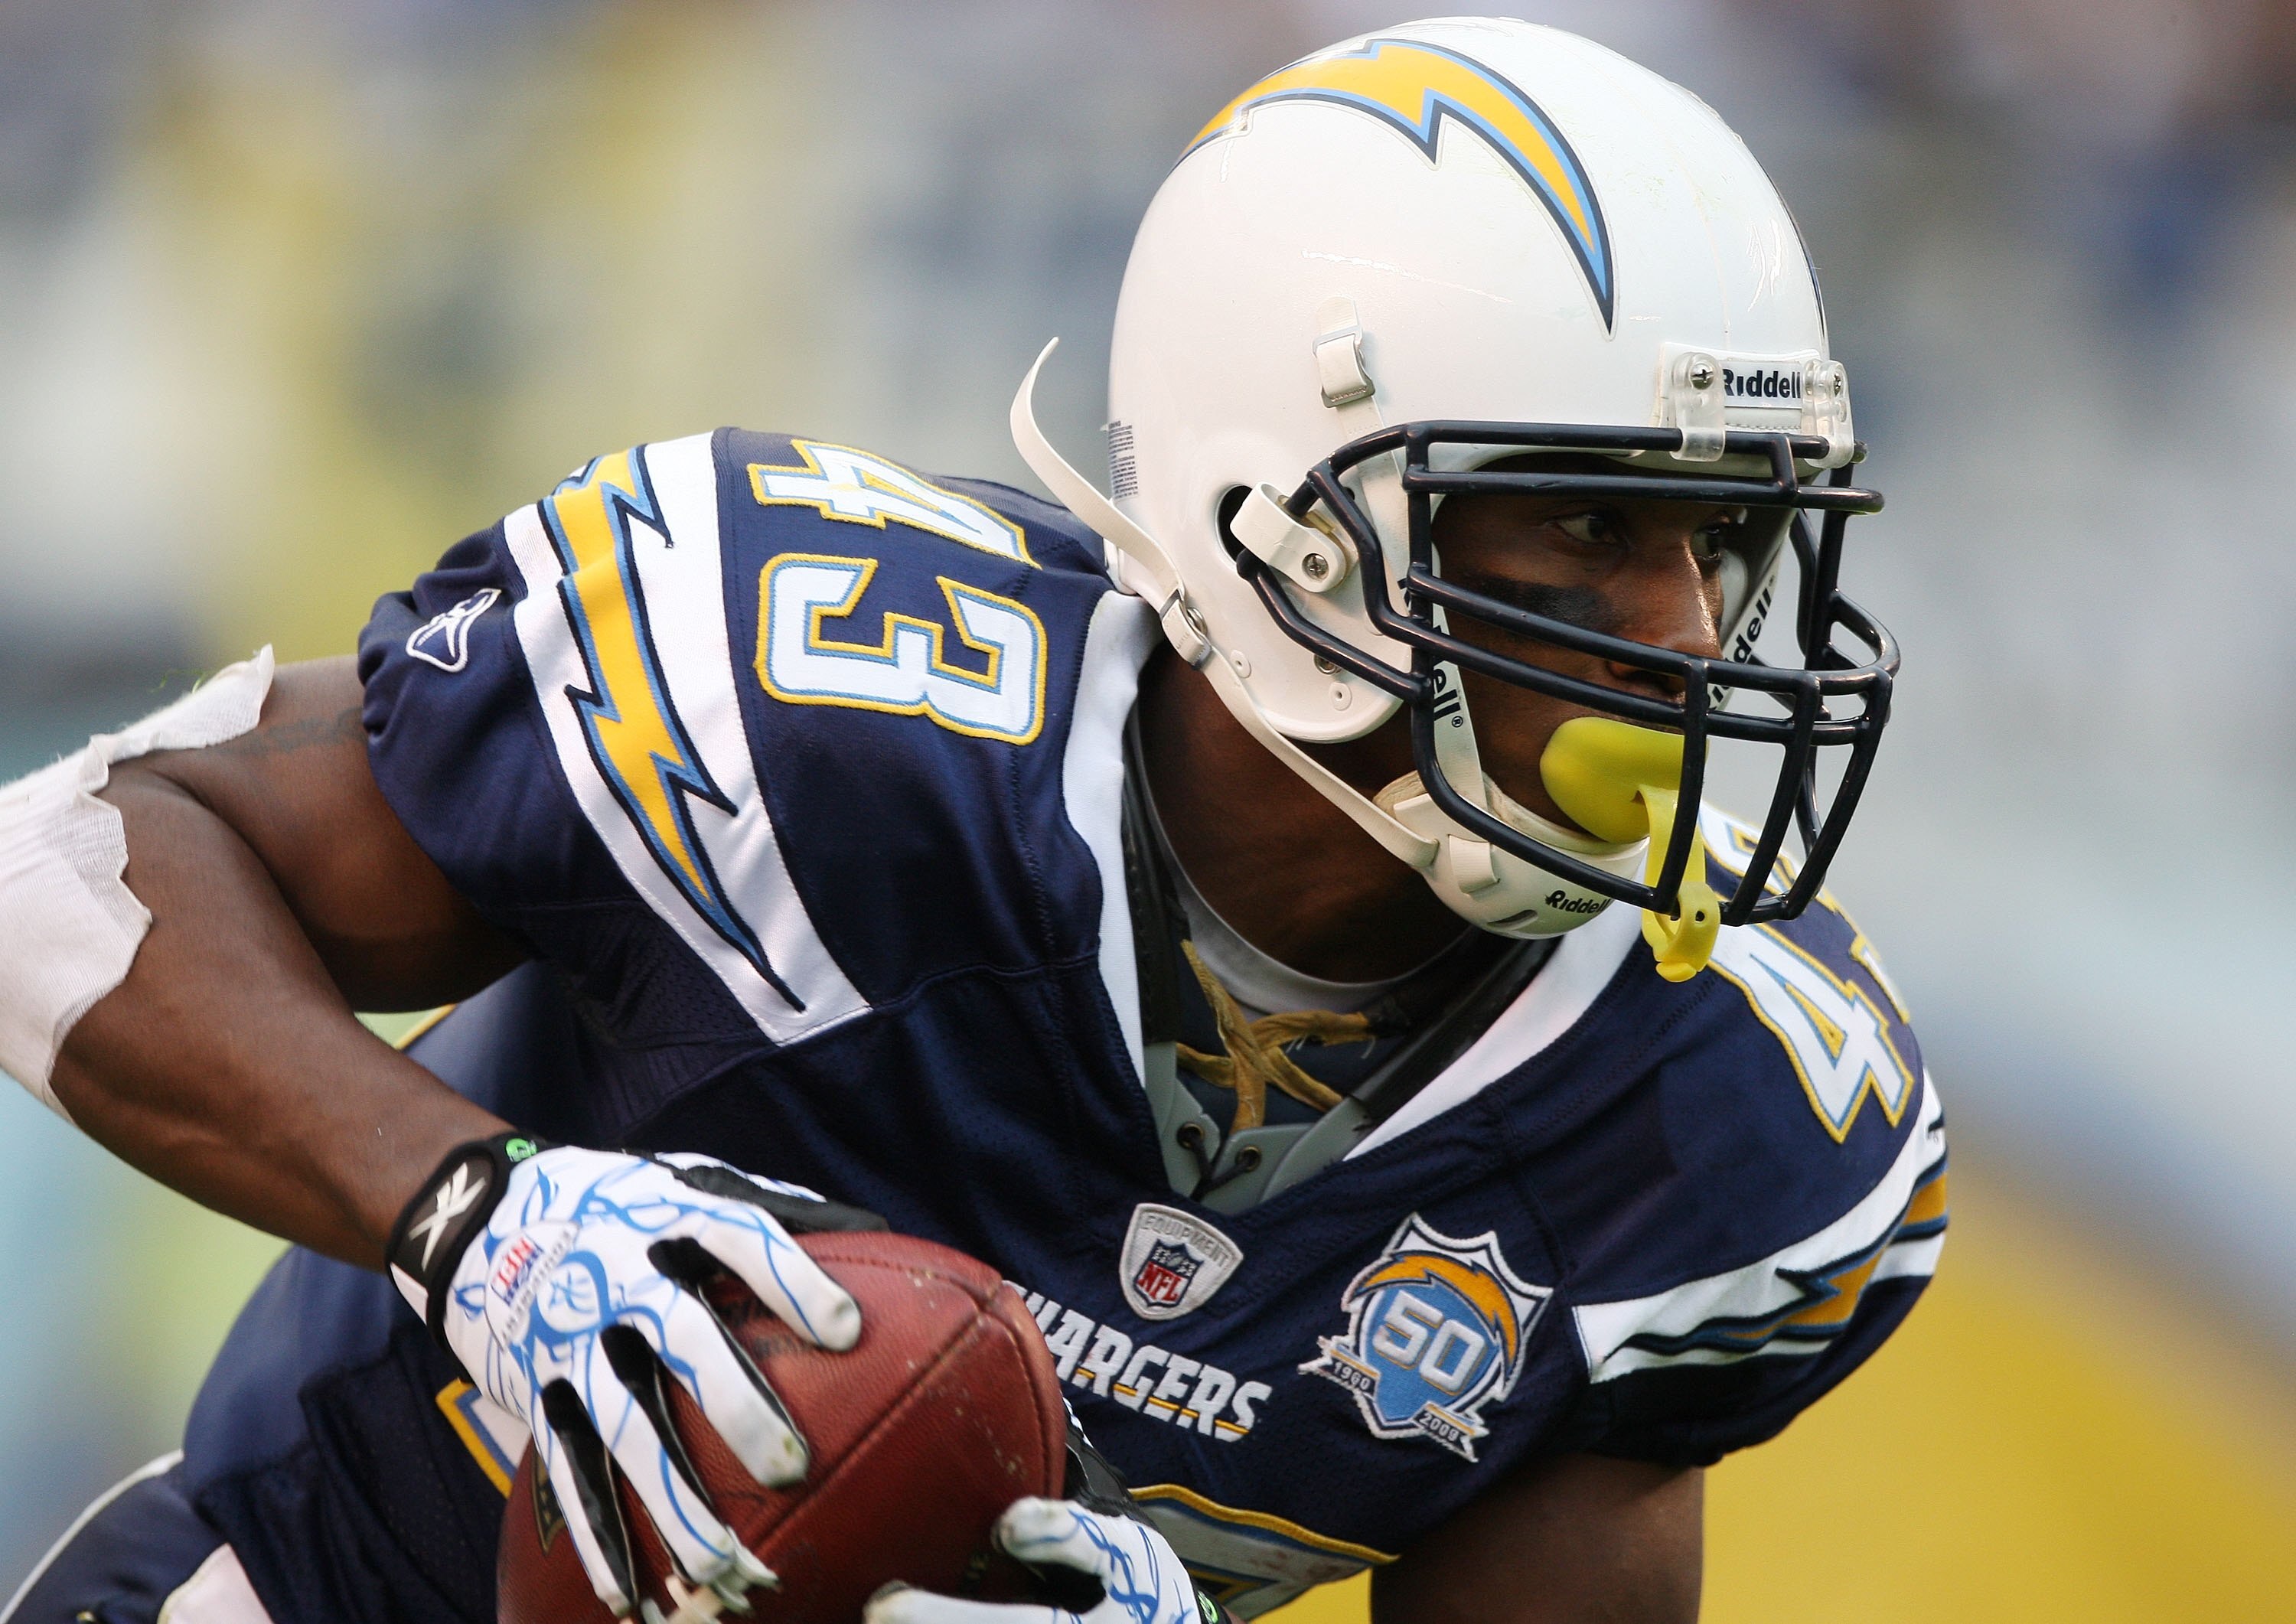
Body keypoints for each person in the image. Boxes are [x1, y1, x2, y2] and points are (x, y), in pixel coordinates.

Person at [0, 18, 1942, 1624]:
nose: (1691, 640)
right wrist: (484, 1217)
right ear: (1287, 521)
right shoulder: (832, 707)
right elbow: (67, 863)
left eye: (1727, 542)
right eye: (1594, 529)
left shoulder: (1714, 1112)